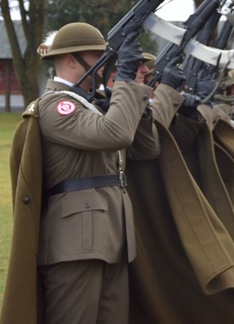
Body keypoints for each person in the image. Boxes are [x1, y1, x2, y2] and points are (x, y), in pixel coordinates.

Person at [8, 23, 158, 324]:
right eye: (96, 55)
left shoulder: (92, 105)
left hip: (112, 236)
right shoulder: (56, 106)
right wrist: (126, 83)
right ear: (72, 59)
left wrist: (132, 98)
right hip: (75, 244)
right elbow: (114, 135)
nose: (107, 63)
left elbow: (146, 149)